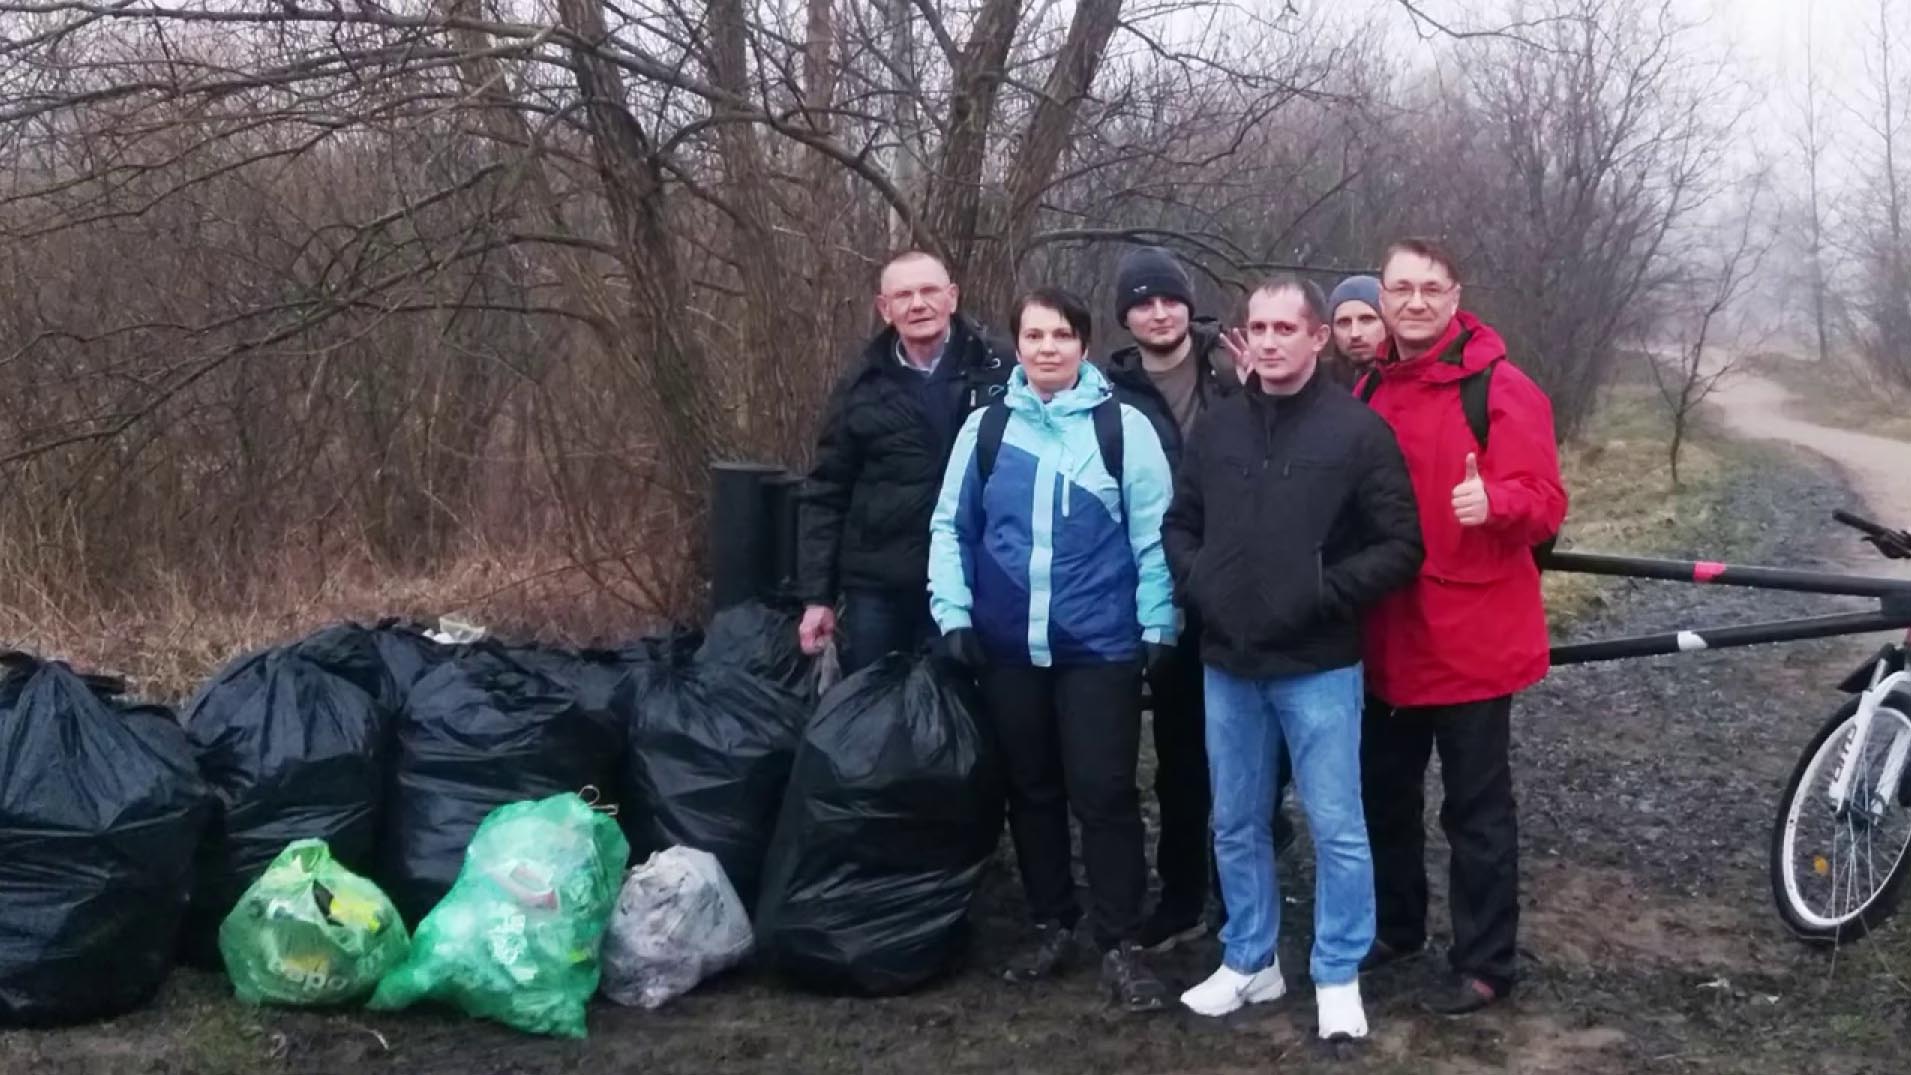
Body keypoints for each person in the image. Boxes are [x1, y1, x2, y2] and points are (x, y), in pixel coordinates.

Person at [1164, 277, 1423, 1041]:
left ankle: (1336, 969)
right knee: (1236, 820)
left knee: (1337, 823)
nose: (1271, 341)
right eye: (1260, 327)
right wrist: (1202, 581)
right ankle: (1249, 959)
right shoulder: (1216, 430)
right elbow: (1179, 524)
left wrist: (1319, 590)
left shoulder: (1356, 433)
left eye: (1287, 328)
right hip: (1228, 662)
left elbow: (1400, 545)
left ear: (1318, 339)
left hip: (1317, 663)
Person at [927, 286, 1176, 1013]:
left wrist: (1159, 624)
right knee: (1030, 792)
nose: (1046, 348)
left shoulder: (1121, 428)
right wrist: (954, 613)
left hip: (1098, 646)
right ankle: (1050, 920)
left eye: (1061, 335)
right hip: (1006, 649)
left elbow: (1154, 534)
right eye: (1033, 335)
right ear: (1017, 344)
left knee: (1104, 793)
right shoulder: (986, 428)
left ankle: (1120, 940)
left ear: (1083, 343)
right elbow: (949, 526)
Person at [1355, 238, 1568, 1016]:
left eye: (1430, 289)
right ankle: (1396, 926)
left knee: (1475, 810)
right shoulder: (1369, 384)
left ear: (1455, 295)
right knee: (1385, 794)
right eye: (1400, 287)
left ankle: (1483, 961)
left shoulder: (1502, 388)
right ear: (1381, 296)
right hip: (1386, 635)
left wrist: (1497, 504)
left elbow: (1544, 500)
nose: (1414, 302)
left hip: (1472, 639)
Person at [1098, 246, 1241, 951]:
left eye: (1169, 299)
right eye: (1142, 302)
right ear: (1124, 316)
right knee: (1181, 755)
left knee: (1248, 751)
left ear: (1189, 304)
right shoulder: (1106, 392)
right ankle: (1181, 893)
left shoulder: (1232, 367)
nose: (1158, 312)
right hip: (1162, 588)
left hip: (1244, 584)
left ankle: (1241, 887)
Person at [795, 251, 1013, 674]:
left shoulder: (1001, 369)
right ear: (885, 309)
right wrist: (816, 597)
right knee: (875, 713)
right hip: (879, 587)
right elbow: (825, 492)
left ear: (952, 297)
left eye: (929, 291)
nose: (918, 304)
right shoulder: (860, 385)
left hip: (978, 579)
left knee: (963, 714)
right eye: (904, 295)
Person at [1326, 275, 1387, 387]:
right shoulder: (1314, 382)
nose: (1355, 333)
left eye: (1367, 320)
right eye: (1344, 322)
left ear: (1388, 323)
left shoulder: (1409, 379)